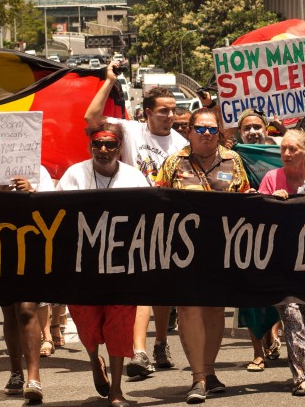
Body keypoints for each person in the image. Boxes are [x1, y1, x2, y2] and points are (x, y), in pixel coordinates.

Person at [86, 63, 187, 377]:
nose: (169, 115)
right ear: (146, 113)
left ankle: (158, 343)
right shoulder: (128, 130)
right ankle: (139, 351)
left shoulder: (182, 145)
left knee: (161, 286)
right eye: (163, 110)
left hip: (166, 220)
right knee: (142, 284)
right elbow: (91, 119)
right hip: (130, 219)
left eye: (173, 110)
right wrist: (109, 81)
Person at [154, 108, 250, 403]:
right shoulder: (173, 162)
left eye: (212, 130)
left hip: (221, 249)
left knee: (214, 311)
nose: (207, 134)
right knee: (188, 310)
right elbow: (157, 200)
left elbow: (246, 195)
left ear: (219, 132)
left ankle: (209, 371)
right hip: (182, 251)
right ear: (190, 131)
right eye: (201, 129)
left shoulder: (233, 161)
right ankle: (197, 378)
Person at [57, 119, 149, 407]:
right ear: (90, 146)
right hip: (83, 267)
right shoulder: (74, 175)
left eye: (110, 144)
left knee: (119, 326)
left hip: (122, 266)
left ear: (120, 148)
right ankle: (93, 357)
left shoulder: (134, 178)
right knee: (87, 324)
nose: (103, 149)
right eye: (98, 144)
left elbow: (152, 216)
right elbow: (56, 214)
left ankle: (117, 390)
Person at [0, 117, 54, 402]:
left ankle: (35, 377)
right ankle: (16, 371)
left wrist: (33, 194)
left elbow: (56, 210)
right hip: (1, 253)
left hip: (30, 251)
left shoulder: (39, 173)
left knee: (28, 309)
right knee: (9, 313)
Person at [258, 129, 305, 396]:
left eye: (293, 149)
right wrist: (271, 202)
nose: (287, 154)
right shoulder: (271, 179)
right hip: (280, 262)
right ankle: (301, 374)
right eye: (283, 150)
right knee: (290, 314)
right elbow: (256, 216)